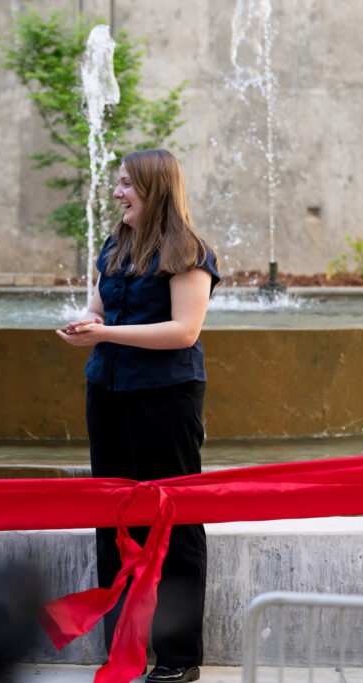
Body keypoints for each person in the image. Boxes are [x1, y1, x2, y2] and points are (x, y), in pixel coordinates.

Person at [57, 149, 219, 683]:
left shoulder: (189, 250)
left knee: (174, 518)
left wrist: (105, 333)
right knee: (115, 515)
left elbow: (184, 332)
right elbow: (99, 308)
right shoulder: (116, 244)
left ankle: (178, 658)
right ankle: (123, 651)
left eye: (127, 183)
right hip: (107, 389)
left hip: (166, 397)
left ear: (154, 188)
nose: (117, 192)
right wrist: (86, 324)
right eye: (118, 183)